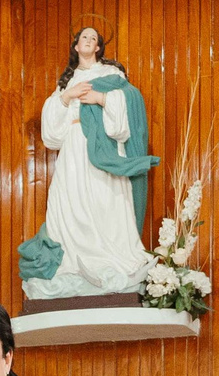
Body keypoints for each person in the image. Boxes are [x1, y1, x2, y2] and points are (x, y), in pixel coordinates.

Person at [17, 24, 158, 300]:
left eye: (94, 38)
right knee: (67, 202)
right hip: (72, 148)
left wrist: (101, 98)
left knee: (104, 199)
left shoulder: (110, 74)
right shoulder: (67, 81)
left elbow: (131, 100)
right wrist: (67, 96)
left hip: (100, 148)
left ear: (98, 47)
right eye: (84, 36)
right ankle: (72, 265)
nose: (88, 40)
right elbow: (51, 133)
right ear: (76, 45)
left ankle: (108, 261)